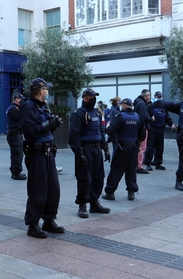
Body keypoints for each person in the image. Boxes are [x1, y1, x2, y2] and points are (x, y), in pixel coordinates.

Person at [20, 78, 64, 238]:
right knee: (38, 190)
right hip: (37, 154)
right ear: (40, 90)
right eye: (46, 89)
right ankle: (33, 224)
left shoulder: (43, 106)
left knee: (53, 189)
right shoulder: (28, 106)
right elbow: (30, 131)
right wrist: (49, 124)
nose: (47, 92)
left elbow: (46, 130)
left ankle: (49, 220)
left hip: (48, 153)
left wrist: (53, 124)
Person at [69, 88, 111, 217]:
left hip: (97, 149)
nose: (94, 99)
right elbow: (74, 135)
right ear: (85, 98)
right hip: (85, 149)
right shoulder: (79, 113)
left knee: (98, 177)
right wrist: (78, 152)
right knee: (84, 178)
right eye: (92, 97)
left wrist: (105, 148)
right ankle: (82, 205)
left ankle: (94, 202)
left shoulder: (97, 113)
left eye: (94, 97)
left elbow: (101, 131)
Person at [103, 98, 145, 200]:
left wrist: (108, 126)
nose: (121, 106)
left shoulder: (120, 116)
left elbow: (111, 131)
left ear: (125, 105)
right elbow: (143, 134)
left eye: (122, 104)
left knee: (116, 169)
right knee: (131, 169)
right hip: (133, 146)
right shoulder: (138, 117)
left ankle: (110, 192)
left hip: (122, 147)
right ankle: (131, 192)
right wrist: (139, 146)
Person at [145, 91, 174, 171]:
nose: (159, 98)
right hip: (152, 128)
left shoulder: (163, 107)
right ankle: (148, 163)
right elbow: (147, 117)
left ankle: (158, 163)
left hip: (161, 128)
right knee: (150, 147)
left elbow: (167, 117)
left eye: (160, 97)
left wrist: (171, 124)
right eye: (158, 97)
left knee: (160, 147)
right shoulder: (150, 106)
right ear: (154, 97)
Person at [6, 93, 27, 180]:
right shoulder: (14, 109)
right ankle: (16, 173)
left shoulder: (14, 108)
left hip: (15, 133)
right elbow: (22, 119)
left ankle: (14, 171)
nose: (22, 101)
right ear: (16, 99)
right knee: (18, 153)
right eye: (21, 99)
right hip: (15, 134)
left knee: (16, 153)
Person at [134, 89, 153, 173]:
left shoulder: (137, 102)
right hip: (143, 128)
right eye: (149, 95)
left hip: (138, 127)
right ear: (146, 96)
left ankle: (136, 165)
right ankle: (139, 166)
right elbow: (144, 117)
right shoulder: (142, 104)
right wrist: (151, 119)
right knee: (142, 147)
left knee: (138, 147)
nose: (149, 97)